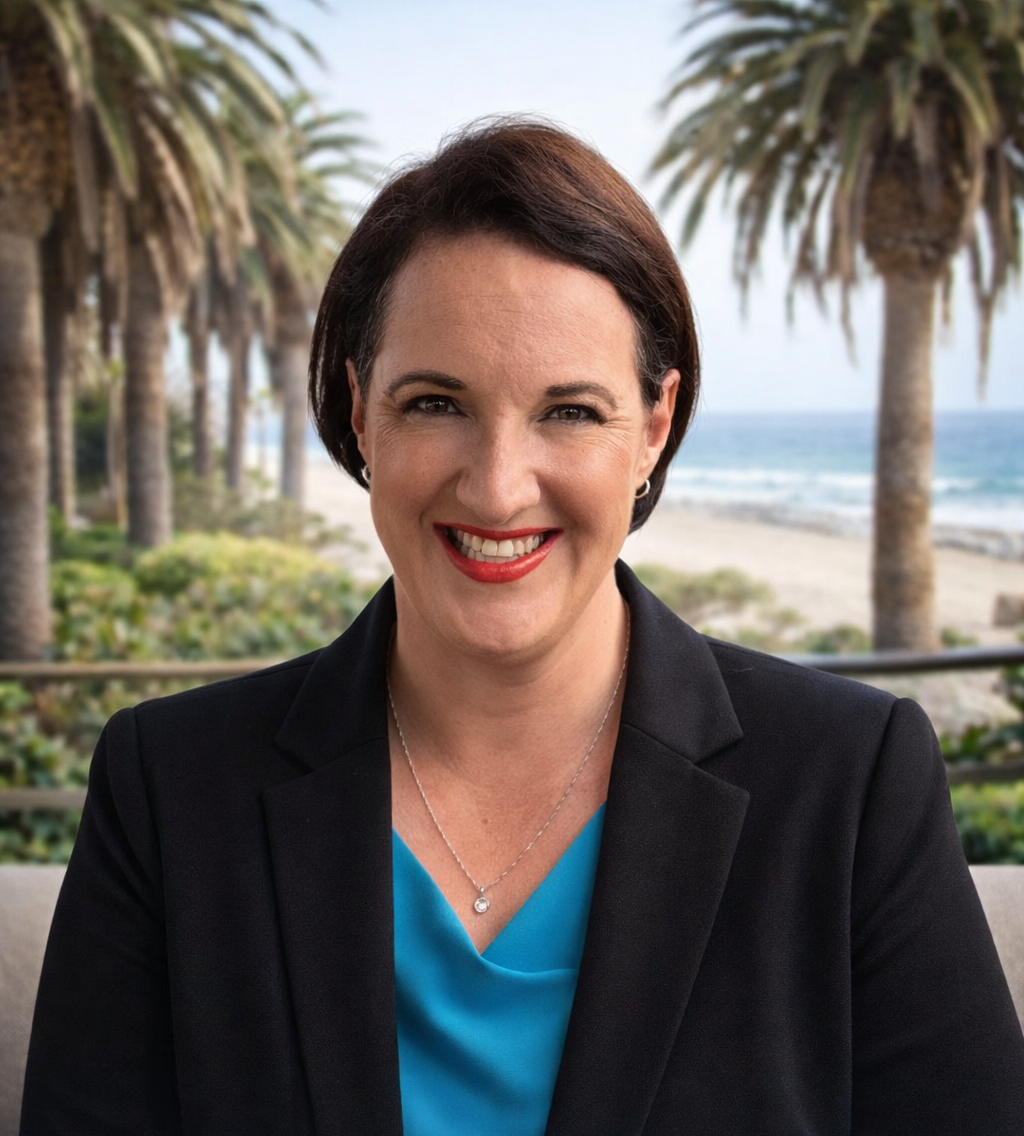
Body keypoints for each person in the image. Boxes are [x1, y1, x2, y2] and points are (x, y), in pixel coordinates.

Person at [21, 118, 1024, 1136]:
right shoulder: (169, 788)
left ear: (654, 425)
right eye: (436, 401)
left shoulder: (852, 786)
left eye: (571, 412)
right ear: (362, 412)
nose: (498, 487)